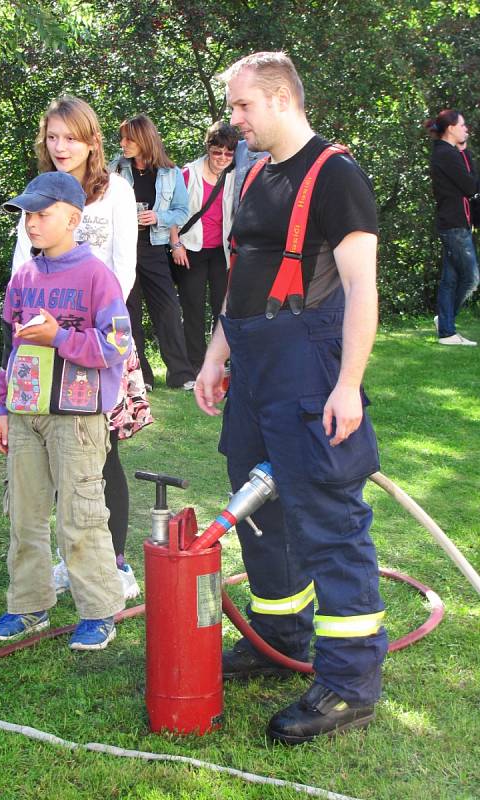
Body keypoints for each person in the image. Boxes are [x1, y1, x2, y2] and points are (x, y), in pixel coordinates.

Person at [195, 51, 388, 745]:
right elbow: (243, 275)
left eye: (243, 107)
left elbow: (362, 289)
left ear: (280, 100)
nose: (234, 121)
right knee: (257, 511)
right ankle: (278, 635)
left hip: (309, 371)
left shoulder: (335, 174)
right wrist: (218, 357)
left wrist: (347, 386)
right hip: (253, 369)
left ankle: (348, 683)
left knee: (329, 524)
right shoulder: (255, 177)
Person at [13, 96, 152, 600]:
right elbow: (20, 272)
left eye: (70, 137)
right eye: (52, 137)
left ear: (92, 141)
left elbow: (124, 266)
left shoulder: (114, 191)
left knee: (100, 447)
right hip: (42, 341)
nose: (60, 146)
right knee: (52, 450)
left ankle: (112, 561)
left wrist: (86, 328)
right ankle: (67, 557)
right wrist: (31, 331)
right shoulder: (37, 194)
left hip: (98, 339)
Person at [0, 171, 131, 651]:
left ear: (73, 218)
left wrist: (60, 338)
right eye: (27, 215)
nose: (31, 223)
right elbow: (11, 347)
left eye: (41, 214)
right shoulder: (24, 277)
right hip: (26, 417)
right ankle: (28, 604)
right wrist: (1, 406)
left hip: (78, 420)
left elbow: (116, 345)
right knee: (24, 514)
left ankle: (99, 610)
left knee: (81, 515)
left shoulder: (96, 276)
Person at [110, 114, 195, 390]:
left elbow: (182, 211)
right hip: (123, 248)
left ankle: (181, 375)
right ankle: (140, 376)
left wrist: (158, 217)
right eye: (122, 138)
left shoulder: (170, 173)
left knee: (169, 309)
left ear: (144, 140)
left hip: (154, 247)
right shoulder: (116, 169)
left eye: (128, 138)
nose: (123, 143)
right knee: (129, 311)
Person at [169, 122, 239, 375]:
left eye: (228, 153)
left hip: (221, 250)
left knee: (223, 306)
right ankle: (195, 364)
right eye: (217, 151)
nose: (222, 158)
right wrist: (175, 244)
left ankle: (219, 361)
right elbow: (173, 211)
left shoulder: (234, 174)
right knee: (193, 307)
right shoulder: (188, 173)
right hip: (191, 249)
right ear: (208, 148)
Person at [425, 109, 479, 346]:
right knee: (471, 278)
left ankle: (446, 329)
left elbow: (472, 180)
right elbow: (470, 186)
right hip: (454, 224)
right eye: (462, 125)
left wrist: (465, 151)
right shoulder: (445, 154)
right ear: (451, 128)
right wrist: (464, 156)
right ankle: (446, 324)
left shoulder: (451, 152)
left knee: (450, 279)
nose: (466, 129)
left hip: (458, 223)